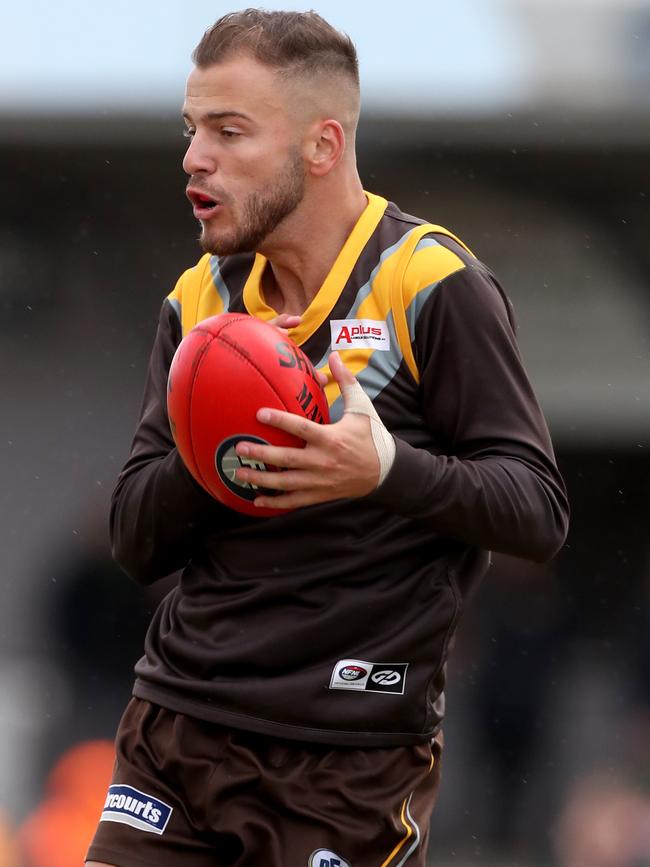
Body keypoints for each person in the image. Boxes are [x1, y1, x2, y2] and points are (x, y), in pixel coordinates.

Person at [86, 9, 569, 867]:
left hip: (351, 760)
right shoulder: (200, 302)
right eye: (192, 129)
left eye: (230, 132)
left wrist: (383, 468)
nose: (195, 158)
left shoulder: (429, 281)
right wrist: (224, 443)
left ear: (322, 145)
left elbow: (536, 510)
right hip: (177, 731)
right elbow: (135, 537)